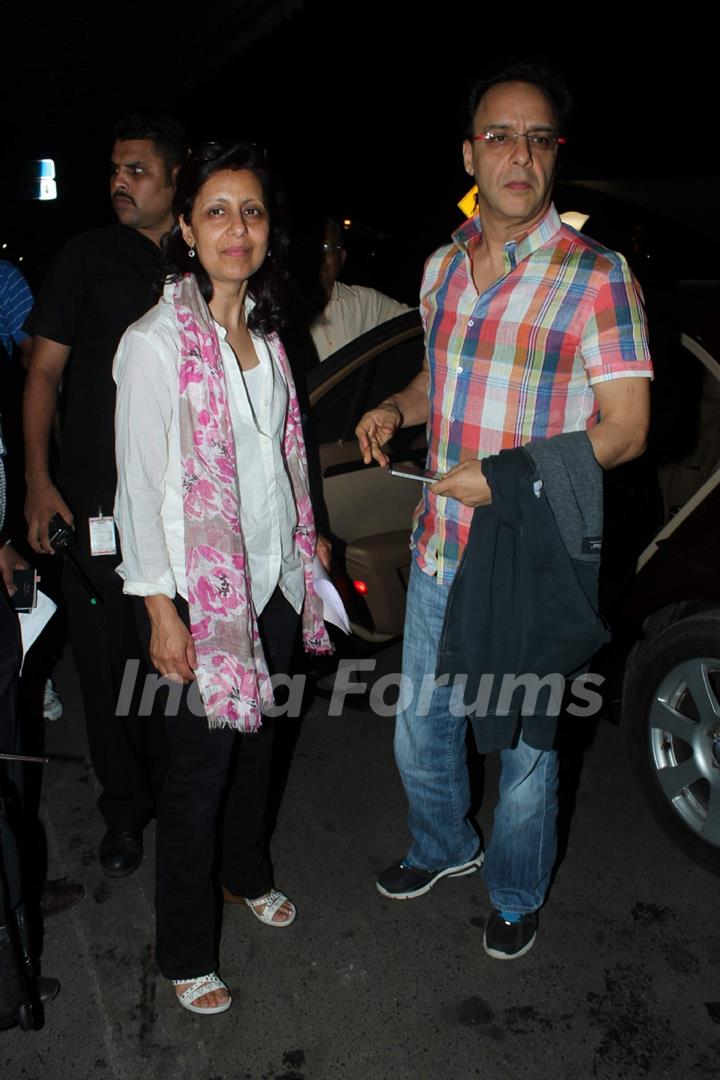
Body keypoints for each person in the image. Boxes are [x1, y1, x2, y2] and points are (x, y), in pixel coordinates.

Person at [355, 63, 653, 959]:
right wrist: (395, 410)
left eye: (537, 137)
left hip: (531, 556)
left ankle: (517, 891)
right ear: (469, 153)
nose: (519, 153)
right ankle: (444, 845)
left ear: (554, 154)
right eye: (499, 135)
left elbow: (630, 430)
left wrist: (511, 475)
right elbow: (434, 380)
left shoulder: (597, 276)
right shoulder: (443, 267)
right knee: (422, 734)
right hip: (442, 544)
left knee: (524, 756)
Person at [113, 141, 331, 1014]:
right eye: (216, 211)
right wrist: (161, 612)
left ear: (269, 232)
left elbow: (285, 460)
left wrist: (308, 553)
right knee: (198, 777)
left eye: (252, 212)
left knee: (261, 745)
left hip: (272, 580)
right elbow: (136, 489)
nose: (235, 229)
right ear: (187, 232)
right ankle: (184, 951)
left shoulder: (270, 334)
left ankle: (244, 873)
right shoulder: (155, 344)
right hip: (197, 604)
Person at [22, 115, 187, 877]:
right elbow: (44, 375)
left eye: (137, 169)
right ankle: (124, 813)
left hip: (184, 506)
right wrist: (37, 482)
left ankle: (178, 793)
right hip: (94, 505)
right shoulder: (85, 257)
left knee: (175, 659)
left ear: (175, 176)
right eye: (114, 169)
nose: (120, 181)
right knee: (104, 658)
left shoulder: (200, 258)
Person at [309, 218, 411, 360]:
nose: (320, 255)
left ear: (342, 257)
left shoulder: (365, 302)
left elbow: (418, 321)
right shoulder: (287, 308)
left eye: (327, 248)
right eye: (313, 247)